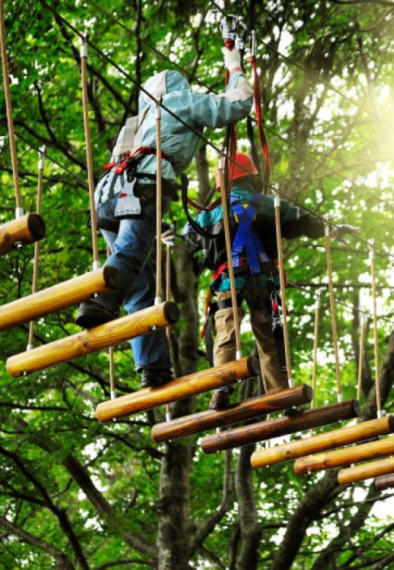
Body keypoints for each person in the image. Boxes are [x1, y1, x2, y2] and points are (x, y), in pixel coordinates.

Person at [75, 48, 253, 389]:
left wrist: (157, 223)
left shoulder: (135, 122)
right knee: (130, 253)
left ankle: (152, 366)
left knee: (140, 283)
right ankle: (101, 299)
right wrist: (234, 66)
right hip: (142, 187)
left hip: (107, 198)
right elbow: (238, 104)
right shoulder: (180, 101)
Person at [181, 153, 357, 409]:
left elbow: (187, 240)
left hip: (229, 283)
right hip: (266, 283)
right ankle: (280, 393)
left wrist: (166, 236)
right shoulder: (272, 206)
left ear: (222, 185)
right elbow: (304, 222)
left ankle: (221, 388)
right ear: (253, 179)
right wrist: (331, 228)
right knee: (271, 338)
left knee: (226, 333)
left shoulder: (209, 216)